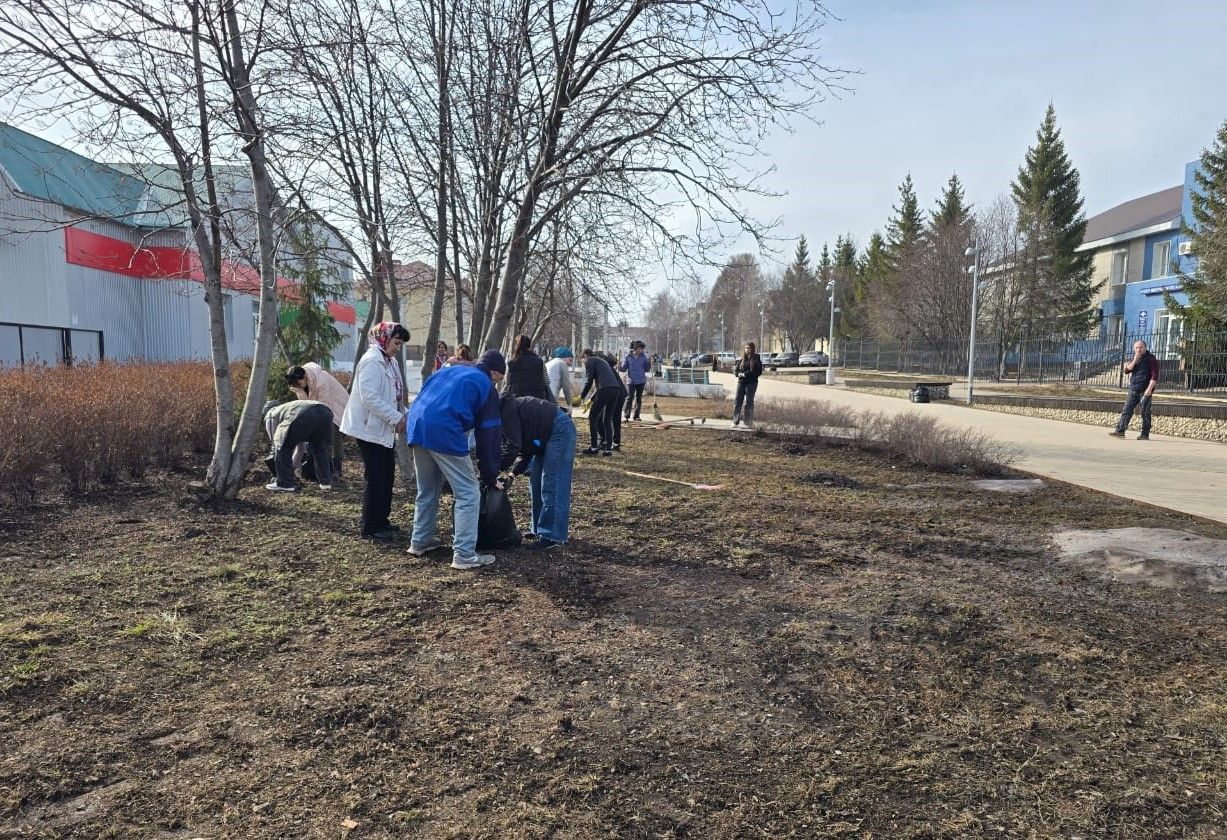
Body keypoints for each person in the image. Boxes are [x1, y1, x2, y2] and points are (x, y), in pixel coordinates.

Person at [406, 349, 506, 570]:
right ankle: (464, 554)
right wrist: (490, 476)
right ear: (493, 372)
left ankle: (419, 541)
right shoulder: (485, 385)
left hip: (417, 425)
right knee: (469, 492)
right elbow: (489, 436)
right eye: (498, 379)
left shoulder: (451, 371)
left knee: (428, 489)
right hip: (445, 430)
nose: (496, 384)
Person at [340, 322, 409, 542]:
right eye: (396, 342)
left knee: (387, 475)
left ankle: (382, 520)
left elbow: (394, 396)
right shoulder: (371, 362)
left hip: (383, 428)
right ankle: (370, 526)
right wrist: (396, 417)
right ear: (384, 338)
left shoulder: (390, 362)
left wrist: (405, 413)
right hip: (369, 428)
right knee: (376, 476)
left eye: (400, 344)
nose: (397, 347)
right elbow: (370, 398)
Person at [499, 394, 577, 550]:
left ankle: (552, 535)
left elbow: (514, 446)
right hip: (542, 438)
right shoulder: (505, 413)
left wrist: (495, 470)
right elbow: (526, 448)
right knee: (536, 480)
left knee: (552, 482)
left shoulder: (506, 411)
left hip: (559, 429)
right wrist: (512, 474)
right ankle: (538, 528)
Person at [286, 362, 349, 479]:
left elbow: (324, 404)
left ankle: (337, 469)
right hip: (320, 408)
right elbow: (305, 404)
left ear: (304, 377)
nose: (297, 386)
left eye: (297, 384)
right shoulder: (300, 385)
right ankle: (320, 468)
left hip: (336, 405)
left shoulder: (321, 379)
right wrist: (300, 392)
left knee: (334, 433)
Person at [263, 399, 334, 492]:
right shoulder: (289, 409)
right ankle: (325, 483)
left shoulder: (270, 414)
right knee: (319, 448)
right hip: (325, 412)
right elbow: (300, 448)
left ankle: (285, 483)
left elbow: (277, 444)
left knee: (282, 445)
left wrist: (284, 471)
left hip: (305, 413)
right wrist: (294, 468)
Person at [1110, 339, 1159, 440]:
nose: (1138, 349)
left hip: (1145, 390)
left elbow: (1155, 375)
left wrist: (1149, 390)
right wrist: (1135, 360)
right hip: (1133, 389)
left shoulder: (1151, 358)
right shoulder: (1134, 358)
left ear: (1145, 348)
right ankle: (1120, 431)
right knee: (1126, 410)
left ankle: (1145, 434)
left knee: (1145, 412)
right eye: (1136, 348)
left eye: (1140, 347)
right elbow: (1127, 370)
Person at [579, 348, 621, 456]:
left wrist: (581, 396)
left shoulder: (590, 361)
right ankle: (608, 449)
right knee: (607, 419)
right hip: (615, 389)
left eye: (582, 360)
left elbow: (589, 381)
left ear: (585, 356)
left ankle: (593, 448)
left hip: (605, 390)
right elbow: (601, 385)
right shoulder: (601, 361)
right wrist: (591, 400)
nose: (583, 363)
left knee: (592, 417)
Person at [504, 334, 551, 400]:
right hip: (537, 401)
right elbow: (546, 381)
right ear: (529, 345)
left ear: (516, 346)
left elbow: (507, 382)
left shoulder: (511, 363)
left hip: (517, 400)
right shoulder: (539, 361)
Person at [732, 342, 764, 428]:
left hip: (751, 383)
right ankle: (735, 421)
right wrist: (738, 374)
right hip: (741, 383)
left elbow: (758, 372)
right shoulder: (742, 360)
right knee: (737, 401)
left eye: (749, 348)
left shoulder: (756, 359)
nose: (747, 350)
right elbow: (736, 370)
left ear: (752, 349)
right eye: (746, 348)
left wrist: (745, 374)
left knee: (749, 402)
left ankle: (748, 422)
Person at [620, 340, 652, 421]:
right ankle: (626, 416)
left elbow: (647, 369)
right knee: (629, 398)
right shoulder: (628, 357)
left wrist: (649, 362)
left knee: (639, 398)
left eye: (642, 349)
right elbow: (623, 369)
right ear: (635, 348)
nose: (641, 350)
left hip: (641, 380)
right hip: (631, 381)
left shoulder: (643, 357)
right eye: (640, 348)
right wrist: (618, 366)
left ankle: (636, 416)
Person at [546, 346, 575, 412]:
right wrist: (569, 404)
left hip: (543, 397)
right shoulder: (562, 363)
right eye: (570, 360)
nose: (570, 364)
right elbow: (566, 387)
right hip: (552, 398)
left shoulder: (548, 363)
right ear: (563, 358)